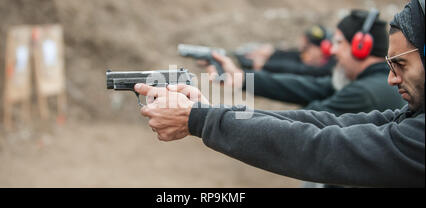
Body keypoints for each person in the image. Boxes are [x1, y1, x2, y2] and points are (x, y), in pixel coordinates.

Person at [135, 0, 425, 187]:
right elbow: (320, 122)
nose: (391, 78)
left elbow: (318, 144)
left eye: (400, 64)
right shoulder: (412, 114)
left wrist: (201, 119)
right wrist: (209, 112)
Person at [217, 10, 406, 116]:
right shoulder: (368, 82)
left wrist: (217, 116)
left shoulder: (364, 93)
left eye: (339, 43)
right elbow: (304, 87)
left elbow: (302, 121)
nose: (332, 51)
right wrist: (242, 78)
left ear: (361, 47)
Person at [237, 25, 337, 77]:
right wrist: (272, 53)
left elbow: (297, 69)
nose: (304, 54)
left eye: (307, 49)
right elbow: (295, 56)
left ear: (322, 50)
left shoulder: (327, 70)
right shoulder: (321, 60)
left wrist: (265, 65)